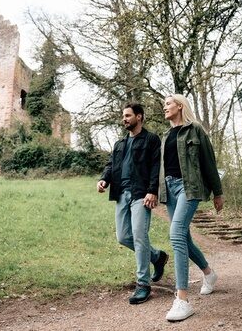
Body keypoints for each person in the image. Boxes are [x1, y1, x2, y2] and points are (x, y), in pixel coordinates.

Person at [159, 94, 224, 321]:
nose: (164, 107)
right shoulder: (165, 135)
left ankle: (182, 300)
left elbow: (209, 162)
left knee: (176, 234)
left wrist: (218, 192)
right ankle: (209, 273)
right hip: (169, 189)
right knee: (184, 238)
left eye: (168, 104)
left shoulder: (195, 129)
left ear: (180, 105)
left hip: (189, 188)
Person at [97, 102, 169, 305]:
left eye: (128, 115)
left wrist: (152, 190)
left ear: (140, 117)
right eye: (123, 116)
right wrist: (104, 179)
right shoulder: (119, 144)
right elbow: (111, 165)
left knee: (139, 235)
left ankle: (143, 284)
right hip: (121, 194)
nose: (124, 119)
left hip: (141, 194)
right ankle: (156, 257)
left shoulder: (151, 139)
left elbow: (156, 166)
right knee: (123, 237)